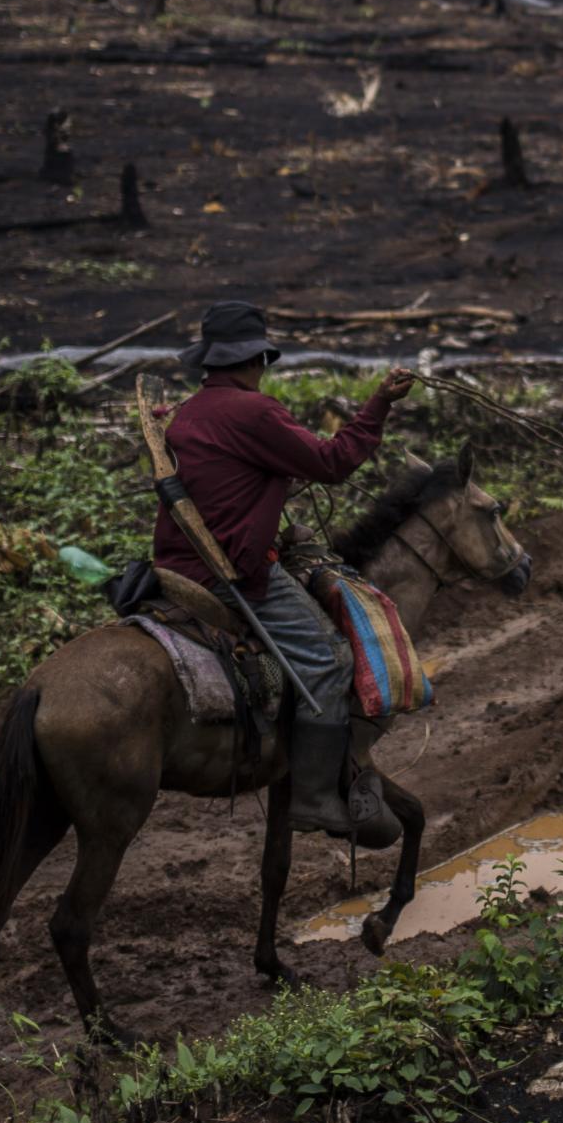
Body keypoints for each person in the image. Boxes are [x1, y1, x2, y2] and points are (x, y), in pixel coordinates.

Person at [151, 299, 417, 843]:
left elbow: (226, 481)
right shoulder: (256, 412)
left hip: (175, 563)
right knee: (330, 659)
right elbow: (332, 462)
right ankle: (314, 798)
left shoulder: (183, 413)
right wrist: (379, 404)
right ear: (258, 361)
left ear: (210, 361)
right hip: (234, 572)